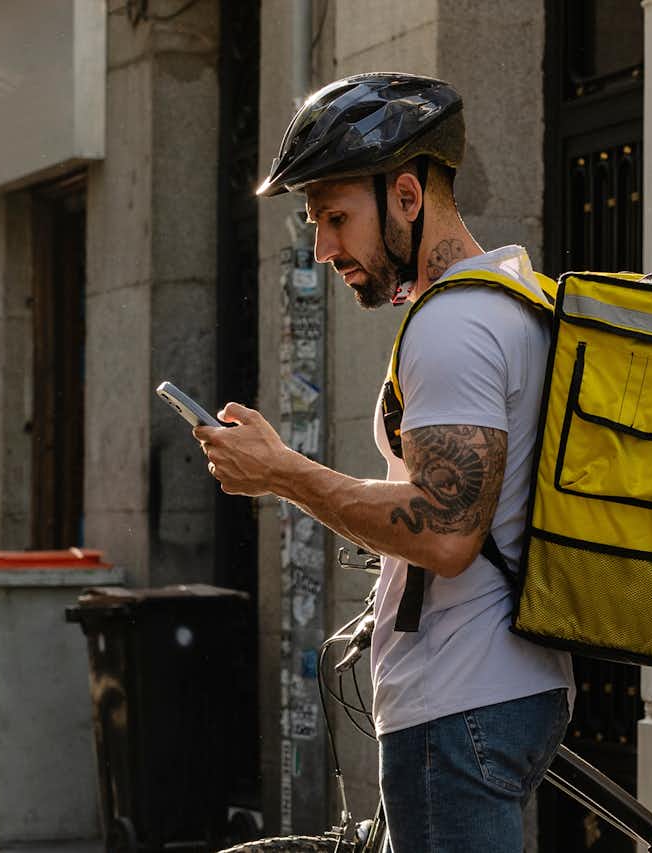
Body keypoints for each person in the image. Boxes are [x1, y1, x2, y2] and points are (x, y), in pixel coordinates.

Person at [198, 72, 571, 852]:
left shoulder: (453, 328)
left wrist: (282, 473)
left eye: (336, 217)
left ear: (406, 195)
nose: (325, 247)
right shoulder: (510, 296)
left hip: (456, 704)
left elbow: (443, 532)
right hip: (502, 690)